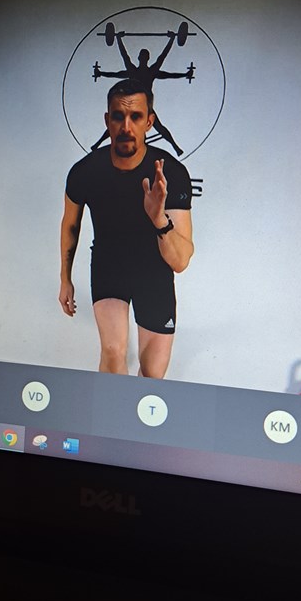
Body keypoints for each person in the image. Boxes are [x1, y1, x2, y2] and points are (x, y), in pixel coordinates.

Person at [60, 78, 194, 379]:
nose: (126, 126)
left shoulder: (171, 173)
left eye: (135, 117)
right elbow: (70, 224)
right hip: (109, 266)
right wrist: (64, 278)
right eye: (118, 116)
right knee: (112, 352)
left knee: (153, 374)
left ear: (149, 122)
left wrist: (159, 219)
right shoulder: (85, 171)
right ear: (107, 120)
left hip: (154, 273)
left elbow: (181, 261)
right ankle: (108, 410)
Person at [91, 30, 192, 155]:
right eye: (142, 56)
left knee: (158, 127)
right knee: (121, 122)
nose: (143, 58)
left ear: (146, 58)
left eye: (145, 56)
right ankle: (97, 144)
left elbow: (165, 63)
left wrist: (172, 40)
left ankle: (176, 148)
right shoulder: (136, 70)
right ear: (140, 58)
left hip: (143, 105)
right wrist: (118, 40)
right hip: (135, 104)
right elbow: (122, 60)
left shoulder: (146, 71)